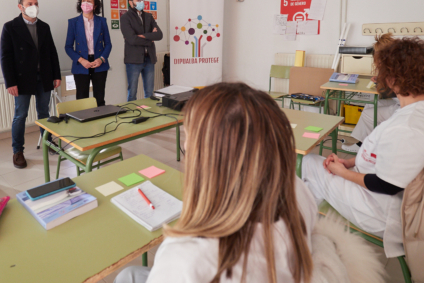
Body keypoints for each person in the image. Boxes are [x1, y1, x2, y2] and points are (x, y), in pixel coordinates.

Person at [116, 82, 317, 282]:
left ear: (209, 159)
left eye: (189, 137)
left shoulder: (186, 259)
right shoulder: (298, 189)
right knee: (130, 275)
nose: (185, 145)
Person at [302, 37, 424, 259]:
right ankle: (306, 234)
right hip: (384, 198)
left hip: (381, 211)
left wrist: (344, 172)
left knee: (310, 163)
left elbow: (386, 185)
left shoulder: (405, 127)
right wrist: (350, 161)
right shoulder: (412, 113)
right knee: (317, 180)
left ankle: (297, 233)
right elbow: (389, 158)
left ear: (392, 79)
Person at [0, 0, 61, 169]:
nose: (33, 6)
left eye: (35, 3)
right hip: (21, 79)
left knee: (44, 113)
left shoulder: (44, 26)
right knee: (20, 116)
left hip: (44, 77)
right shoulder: (10, 27)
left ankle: (48, 143)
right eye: (29, 3)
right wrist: (10, 82)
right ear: (21, 7)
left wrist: (56, 75)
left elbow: (52, 53)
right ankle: (18, 151)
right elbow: (5, 57)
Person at [342, 33, 399, 153]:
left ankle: (368, 148)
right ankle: (361, 143)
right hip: (402, 103)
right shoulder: (397, 64)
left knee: (369, 114)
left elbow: (385, 92)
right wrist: (381, 80)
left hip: (405, 107)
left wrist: (381, 84)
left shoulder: (393, 67)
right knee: (370, 105)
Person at [65, 0, 111, 105]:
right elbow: (68, 47)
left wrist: (101, 59)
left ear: (95, 5)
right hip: (81, 63)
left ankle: (100, 121)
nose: (85, 3)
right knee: (82, 98)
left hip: (99, 62)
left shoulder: (102, 21)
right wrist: (81, 60)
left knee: (99, 98)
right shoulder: (73, 22)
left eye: (89, 1)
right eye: (83, 0)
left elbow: (108, 44)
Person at [120, 0, 162, 101]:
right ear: (130, 2)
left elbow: (159, 35)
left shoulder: (148, 16)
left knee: (149, 93)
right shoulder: (125, 17)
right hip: (133, 60)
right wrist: (150, 38)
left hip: (149, 58)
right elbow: (132, 39)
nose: (141, 1)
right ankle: (132, 114)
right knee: (132, 93)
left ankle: (149, 114)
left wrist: (143, 36)